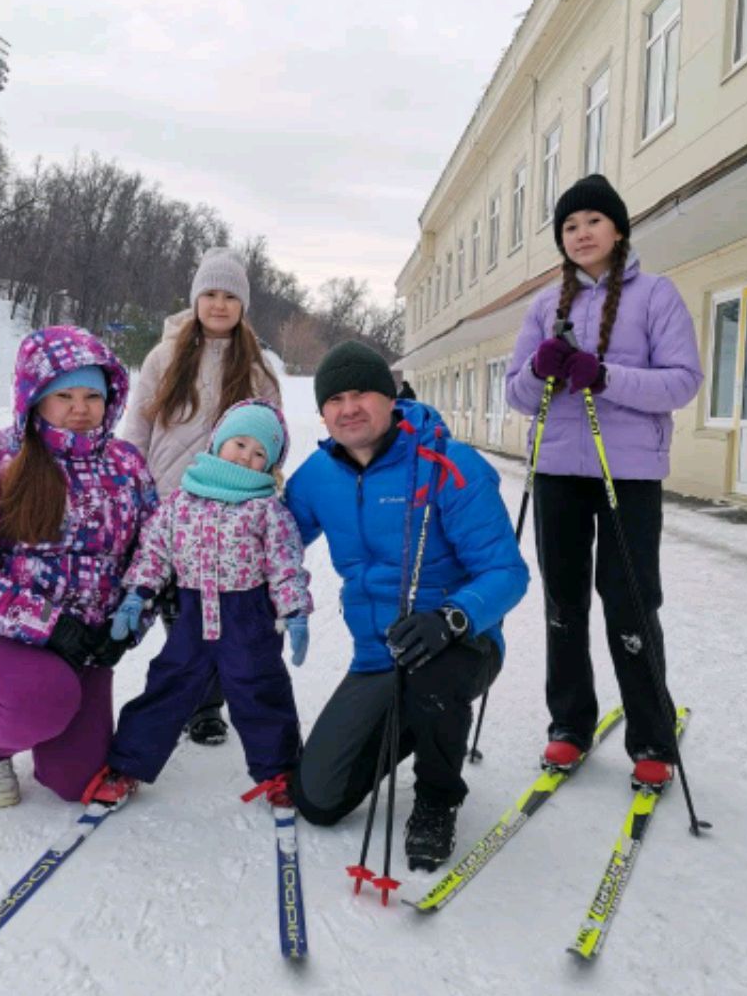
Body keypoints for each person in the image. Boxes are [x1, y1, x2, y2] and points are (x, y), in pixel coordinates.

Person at [283, 341, 529, 870]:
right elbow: (273, 543)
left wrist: (453, 617)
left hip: (457, 643)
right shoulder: (317, 476)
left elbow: (507, 572)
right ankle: (420, 720)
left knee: (433, 681)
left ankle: (437, 800)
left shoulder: (451, 465)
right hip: (380, 655)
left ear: (390, 399)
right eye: (335, 399)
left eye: (362, 394)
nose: (349, 408)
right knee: (318, 799)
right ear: (323, 412)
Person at [505, 174, 703, 787]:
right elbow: (516, 395)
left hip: (629, 474)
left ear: (618, 229)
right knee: (563, 603)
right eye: (569, 225)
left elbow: (682, 381)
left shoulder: (657, 295)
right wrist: (538, 369)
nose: (581, 233)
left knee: (630, 602)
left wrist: (606, 376)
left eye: (593, 220)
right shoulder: (545, 305)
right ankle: (569, 724)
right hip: (558, 471)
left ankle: (652, 736)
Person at [0, 326, 158, 808]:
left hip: (85, 646)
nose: (80, 409)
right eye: (64, 396)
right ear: (35, 397)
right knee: (46, 698)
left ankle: (51, 718)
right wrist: (48, 625)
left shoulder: (126, 464)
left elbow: (152, 552)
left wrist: (128, 624)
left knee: (77, 782)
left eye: (92, 396)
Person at [84, 398, 312, 807]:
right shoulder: (181, 502)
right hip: (192, 615)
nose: (245, 457)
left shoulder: (267, 510)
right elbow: (154, 553)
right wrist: (137, 595)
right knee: (168, 684)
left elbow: (285, 565)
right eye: (239, 444)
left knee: (260, 690)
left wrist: (294, 612)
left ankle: (280, 771)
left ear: (271, 465)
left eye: (259, 453)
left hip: (249, 619)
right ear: (218, 442)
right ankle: (127, 765)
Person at [119, 247, 281, 747]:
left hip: (232, 510)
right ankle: (202, 704)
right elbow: (138, 426)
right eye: (209, 293)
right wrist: (131, 484)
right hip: (172, 502)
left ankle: (213, 698)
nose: (218, 304)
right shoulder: (164, 357)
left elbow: (273, 436)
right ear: (195, 299)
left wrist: (266, 490)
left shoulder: (257, 368)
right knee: (182, 609)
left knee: (226, 606)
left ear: (243, 304)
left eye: (229, 296)